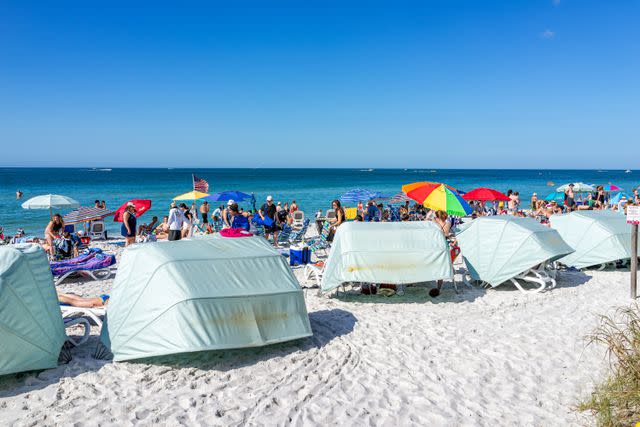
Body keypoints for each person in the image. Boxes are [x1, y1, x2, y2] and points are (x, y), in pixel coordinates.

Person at [430, 210, 452, 297]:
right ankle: (438, 286)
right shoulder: (443, 223)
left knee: (440, 266)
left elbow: (445, 234)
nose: (434, 218)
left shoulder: (444, 224)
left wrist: (437, 224)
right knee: (438, 266)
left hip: (440, 246)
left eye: (436, 217)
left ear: (438, 217)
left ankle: (438, 288)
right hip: (439, 246)